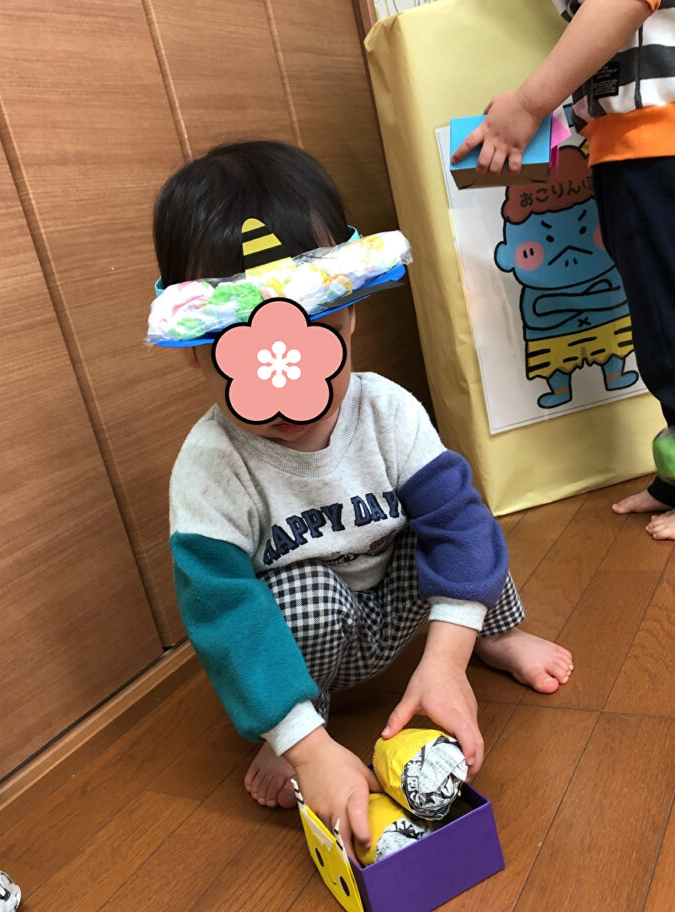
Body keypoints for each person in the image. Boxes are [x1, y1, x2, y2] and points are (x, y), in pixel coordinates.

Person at [154, 139, 573, 855]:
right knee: (299, 596)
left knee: (458, 521)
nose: (286, 382)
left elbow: (457, 525)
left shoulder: (386, 410)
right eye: (246, 353)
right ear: (198, 349)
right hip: (313, 638)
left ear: (350, 316)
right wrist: (305, 746)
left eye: (311, 332)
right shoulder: (212, 465)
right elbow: (225, 616)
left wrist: (445, 660)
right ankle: (299, 722)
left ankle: (490, 636)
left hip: (399, 599)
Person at [451, 0, 675, 540]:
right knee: (658, 327)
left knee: (668, 325)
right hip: (626, 146)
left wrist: (530, 102)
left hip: (658, 141)